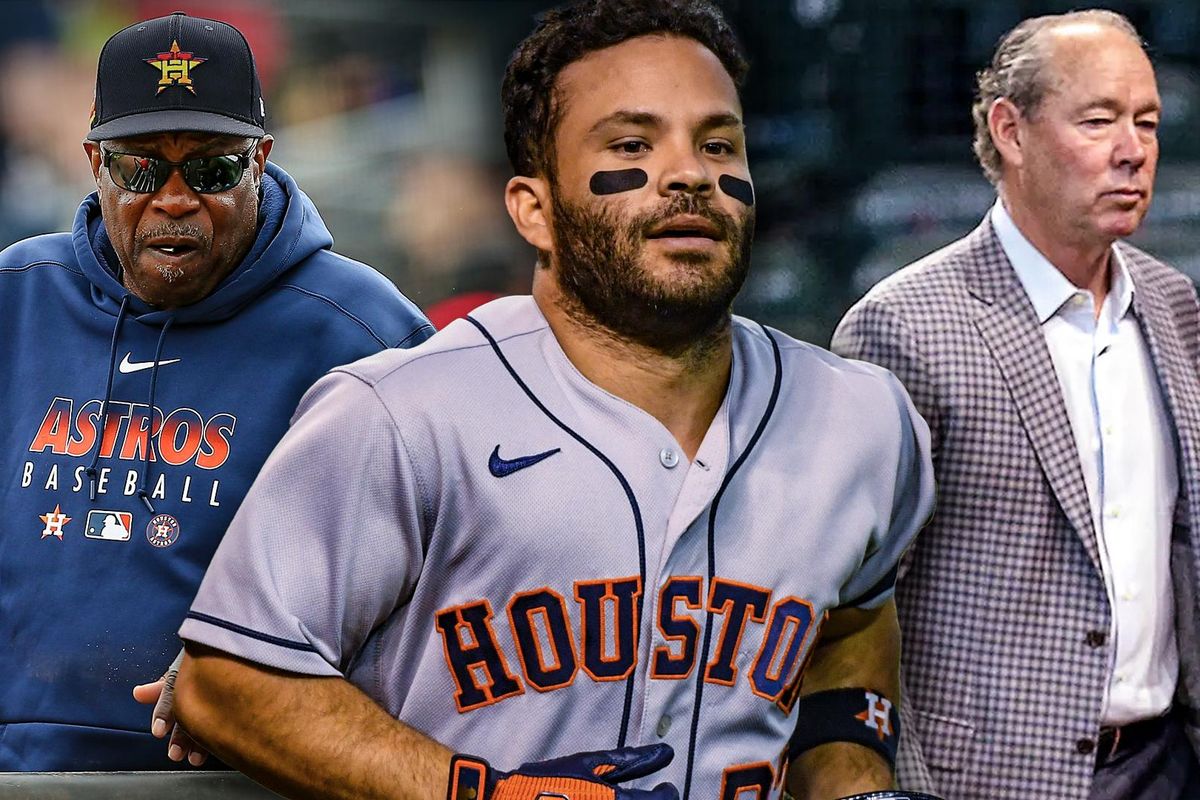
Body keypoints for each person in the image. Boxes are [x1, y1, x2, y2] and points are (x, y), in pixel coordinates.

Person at [171, 1, 935, 798]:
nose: (690, 174)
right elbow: (226, 683)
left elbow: (852, 623)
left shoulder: (861, 418)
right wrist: (489, 794)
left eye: (717, 144)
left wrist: (851, 780)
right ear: (533, 211)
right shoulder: (398, 413)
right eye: (632, 145)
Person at [0, 12, 432, 771]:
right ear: (95, 162)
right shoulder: (17, 295)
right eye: (140, 169)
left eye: (211, 170)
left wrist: (258, 666)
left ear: (260, 159)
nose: (173, 199)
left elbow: (444, 578)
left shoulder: (364, 333)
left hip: (235, 778)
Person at [833, 10, 1200, 800]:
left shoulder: (1174, 305)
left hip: (1167, 762)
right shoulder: (904, 326)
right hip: (990, 781)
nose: (1133, 150)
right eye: (1098, 120)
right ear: (1010, 130)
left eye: (1146, 122)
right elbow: (848, 606)